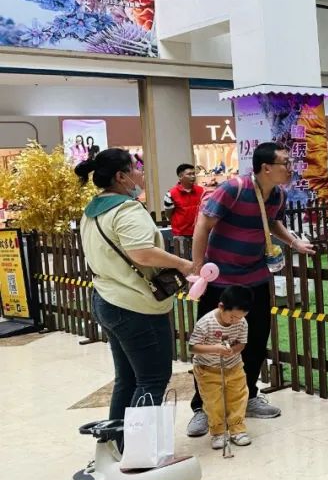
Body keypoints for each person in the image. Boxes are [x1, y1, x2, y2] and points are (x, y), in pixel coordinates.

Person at [186, 142, 315, 437]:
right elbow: (203, 224)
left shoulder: (278, 195)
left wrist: (294, 242)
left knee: (254, 339)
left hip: (255, 278)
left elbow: (272, 222)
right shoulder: (234, 189)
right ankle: (202, 408)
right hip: (220, 280)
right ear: (266, 167)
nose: (290, 168)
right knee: (210, 340)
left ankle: (248, 396)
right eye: (285, 163)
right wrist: (197, 266)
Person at [75, 148, 195, 420]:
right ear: (121, 176)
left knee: (128, 378)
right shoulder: (126, 209)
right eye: (136, 168)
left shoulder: (92, 211)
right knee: (153, 379)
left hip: (107, 298)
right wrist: (182, 264)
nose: (140, 173)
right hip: (135, 306)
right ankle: (139, 445)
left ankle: (118, 439)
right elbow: (141, 252)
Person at [188, 285, 253, 450]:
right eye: (232, 317)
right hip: (207, 369)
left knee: (238, 397)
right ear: (221, 306)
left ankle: (237, 429)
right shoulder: (206, 323)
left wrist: (233, 350)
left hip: (234, 366)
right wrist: (215, 349)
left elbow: (242, 343)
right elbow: (193, 347)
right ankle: (218, 432)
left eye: (240, 317)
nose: (236, 321)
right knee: (213, 402)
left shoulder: (242, 322)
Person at [163, 163, 205, 259]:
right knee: (183, 260)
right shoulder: (170, 194)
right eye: (189, 174)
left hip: (199, 232)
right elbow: (169, 214)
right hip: (180, 235)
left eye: (194, 174)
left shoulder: (202, 191)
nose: (193, 176)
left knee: (200, 259)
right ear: (180, 176)